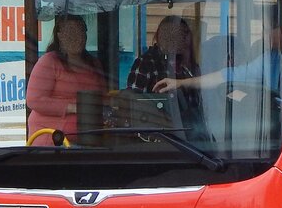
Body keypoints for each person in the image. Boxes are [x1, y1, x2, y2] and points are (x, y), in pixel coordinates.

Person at [25, 15, 107, 143]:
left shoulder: (94, 64)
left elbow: (103, 97)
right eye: (71, 32)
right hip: (53, 141)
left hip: (90, 138)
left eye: (81, 31)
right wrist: (74, 108)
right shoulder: (49, 62)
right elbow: (34, 100)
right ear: (60, 36)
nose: (77, 37)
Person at [127, 16, 203, 130]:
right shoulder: (146, 63)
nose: (183, 38)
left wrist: (187, 57)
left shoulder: (190, 66)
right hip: (161, 135)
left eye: (185, 34)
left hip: (194, 136)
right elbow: (133, 106)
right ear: (161, 36)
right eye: (177, 34)